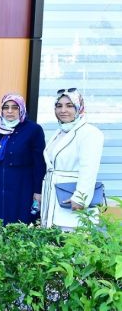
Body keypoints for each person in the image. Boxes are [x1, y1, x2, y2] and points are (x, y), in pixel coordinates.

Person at [41, 89, 104, 230]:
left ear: (79, 108)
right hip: (53, 197)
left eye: (69, 106)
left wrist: (80, 197)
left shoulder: (90, 133)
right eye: (59, 106)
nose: (63, 110)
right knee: (53, 238)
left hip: (71, 198)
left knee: (72, 237)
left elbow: (89, 168)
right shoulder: (60, 132)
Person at [0, 94, 45, 226]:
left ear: (21, 109)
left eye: (14, 107)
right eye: (6, 107)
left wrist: (38, 191)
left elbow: (39, 163)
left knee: (19, 221)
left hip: (22, 185)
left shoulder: (33, 130)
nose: (10, 111)